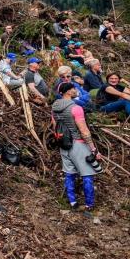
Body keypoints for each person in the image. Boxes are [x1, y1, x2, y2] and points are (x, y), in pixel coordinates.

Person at [52, 83, 101, 216]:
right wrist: (93, 149)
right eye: (73, 88)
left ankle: (72, 202)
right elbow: (84, 130)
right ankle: (89, 205)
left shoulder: (55, 107)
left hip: (63, 144)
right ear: (67, 92)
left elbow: (55, 126)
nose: (75, 90)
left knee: (69, 173)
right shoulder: (76, 108)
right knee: (87, 175)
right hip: (78, 144)